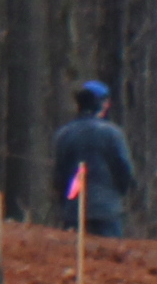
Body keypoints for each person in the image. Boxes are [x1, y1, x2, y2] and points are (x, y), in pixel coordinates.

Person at [48, 78, 135, 238]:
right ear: (102, 104)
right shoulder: (112, 133)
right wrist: (117, 195)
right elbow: (125, 172)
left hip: (73, 211)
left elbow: (59, 176)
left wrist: (65, 203)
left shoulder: (64, 134)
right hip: (106, 212)